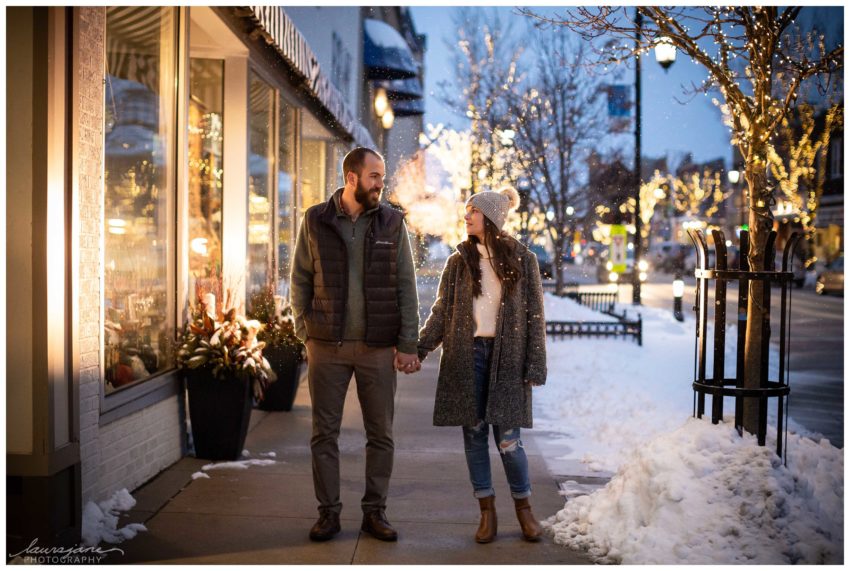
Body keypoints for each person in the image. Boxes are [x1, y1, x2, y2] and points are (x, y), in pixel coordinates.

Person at [290, 147, 420, 542]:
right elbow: (300, 278)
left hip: (377, 348)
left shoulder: (392, 222)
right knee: (323, 435)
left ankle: (374, 513)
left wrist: (407, 342)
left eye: (382, 176)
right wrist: (304, 331)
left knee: (380, 434)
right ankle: (328, 513)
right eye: (374, 176)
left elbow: (405, 286)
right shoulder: (315, 219)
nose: (381, 183)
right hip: (326, 346)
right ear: (352, 177)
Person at [417, 187, 547, 543]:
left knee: (509, 442)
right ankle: (486, 512)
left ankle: (525, 511)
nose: (466, 215)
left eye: (473, 210)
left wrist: (535, 364)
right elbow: (442, 312)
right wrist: (421, 347)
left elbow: (535, 316)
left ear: (490, 216)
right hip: (467, 355)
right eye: (466, 209)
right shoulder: (458, 261)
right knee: (474, 437)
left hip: (507, 358)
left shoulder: (523, 260)